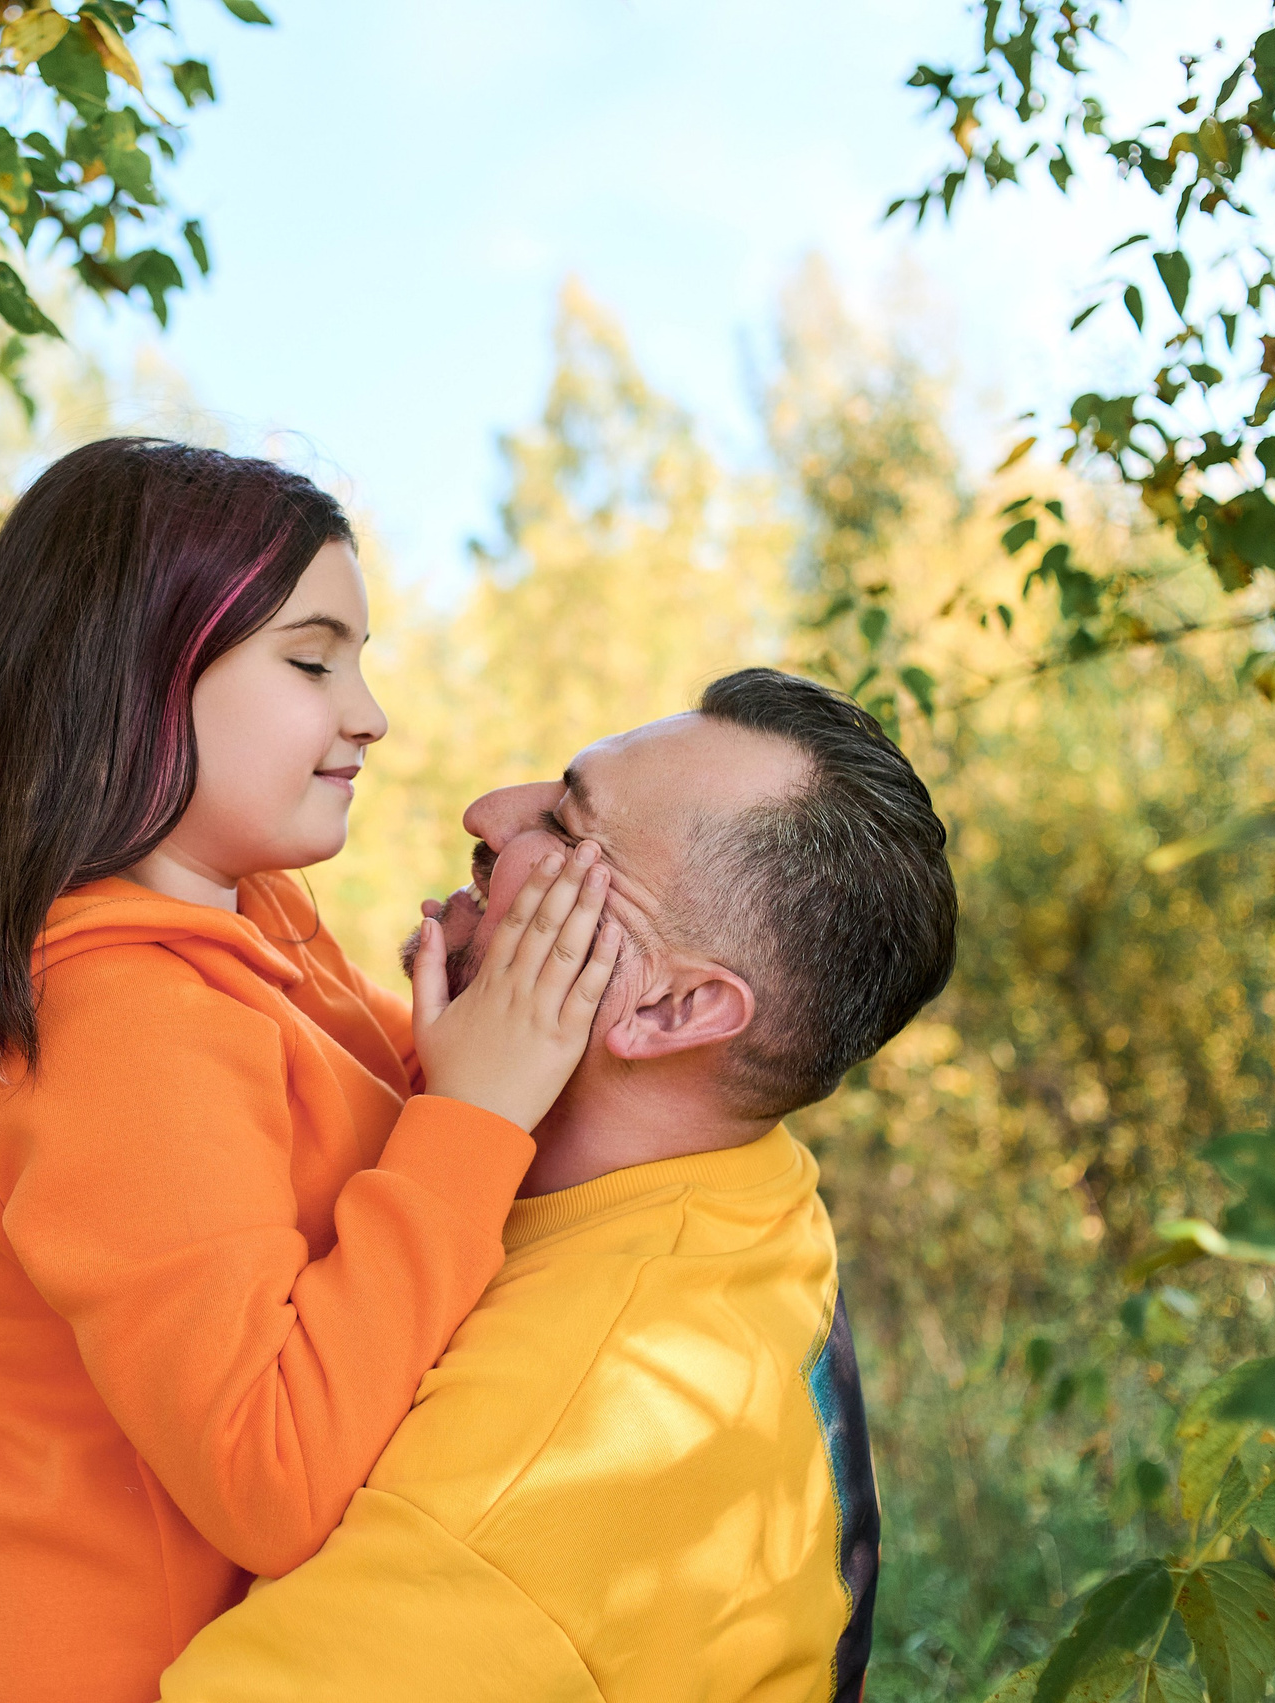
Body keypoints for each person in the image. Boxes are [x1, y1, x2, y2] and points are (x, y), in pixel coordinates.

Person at [0, 439, 624, 1703]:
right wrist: (471, 1112)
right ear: (134, 680)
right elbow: (270, 1473)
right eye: (310, 658)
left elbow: (335, 1154)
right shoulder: (121, 1016)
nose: (369, 712)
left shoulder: (245, 926)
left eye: (361, 658)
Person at [156, 668, 958, 1703]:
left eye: (566, 829)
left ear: (673, 1009)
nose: (485, 813)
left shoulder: (527, 1496)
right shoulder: (736, 1187)